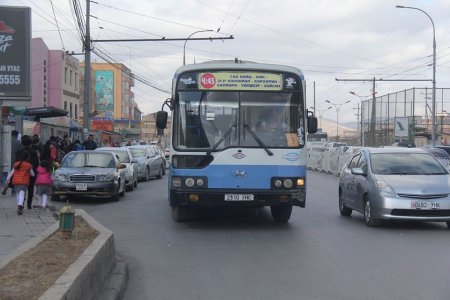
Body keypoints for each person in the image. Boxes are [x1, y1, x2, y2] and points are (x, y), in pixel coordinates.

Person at [16, 136, 40, 209]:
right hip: (31, 173)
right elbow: (37, 163)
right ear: (30, 144)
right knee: (30, 189)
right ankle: (29, 205)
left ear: (22, 144)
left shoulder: (19, 151)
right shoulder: (33, 152)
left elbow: (16, 162)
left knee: (22, 189)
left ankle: (21, 203)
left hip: (21, 173)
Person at [10, 130, 23, 196]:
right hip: (14, 161)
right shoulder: (18, 142)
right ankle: (13, 190)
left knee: (4, 175)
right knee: (13, 175)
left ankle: (4, 187)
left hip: (5, 161)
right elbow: (20, 152)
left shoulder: (6, 140)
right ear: (17, 135)